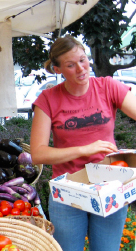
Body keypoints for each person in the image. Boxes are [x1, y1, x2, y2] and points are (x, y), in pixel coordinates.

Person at [30, 35, 136, 251]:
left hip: (110, 186)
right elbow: (38, 154)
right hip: (68, 192)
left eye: (83, 60)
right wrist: (85, 149)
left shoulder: (108, 87)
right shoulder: (48, 99)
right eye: (70, 65)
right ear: (58, 69)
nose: (81, 68)